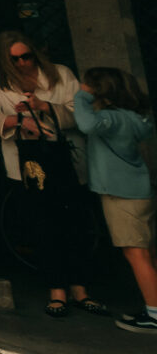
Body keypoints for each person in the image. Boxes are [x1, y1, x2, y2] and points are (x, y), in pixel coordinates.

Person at [0, 31, 101, 318]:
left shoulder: (60, 74)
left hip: (66, 156)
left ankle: (81, 288)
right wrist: (20, 120)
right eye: (14, 59)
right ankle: (56, 290)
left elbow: (81, 112)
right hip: (30, 163)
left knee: (76, 223)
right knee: (44, 225)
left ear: (34, 53)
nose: (21, 64)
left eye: (25, 56)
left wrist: (47, 108)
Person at [74, 67, 157, 333]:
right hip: (139, 191)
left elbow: (86, 124)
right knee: (147, 253)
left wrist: (82, 97)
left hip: (121, 196)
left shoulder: (111, 119)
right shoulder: (134, 118)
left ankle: (155, 314)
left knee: (136, 254)